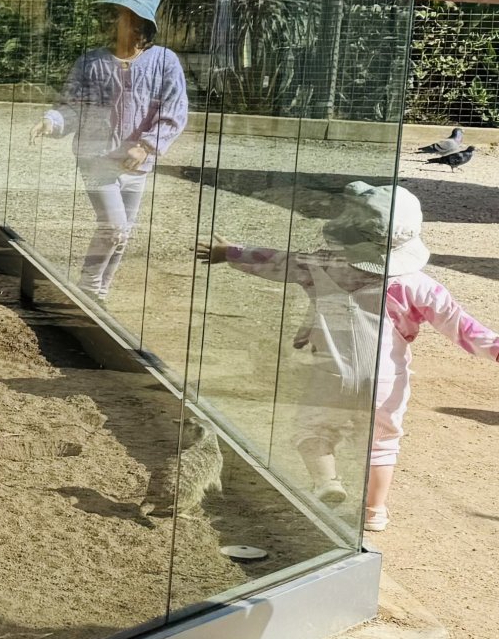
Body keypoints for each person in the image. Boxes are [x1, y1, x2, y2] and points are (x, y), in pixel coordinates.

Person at [199, 180, 499, 532]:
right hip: (385, 378)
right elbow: (461, 326)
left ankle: (327, 483)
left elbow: (275, 260)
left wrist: (230, 253)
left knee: (311, 430)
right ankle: (374, 512)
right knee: (382, 443)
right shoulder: (416, 284)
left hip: (330, 372)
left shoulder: (321, 264)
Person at [36, 0, 190, 298]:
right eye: (109, 12)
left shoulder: (164, 63)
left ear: (138, 23)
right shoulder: (90, 63)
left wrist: (147, 146)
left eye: (117, 12)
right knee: (114, 227)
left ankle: (100, 294)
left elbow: (174, 113)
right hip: (96, 162)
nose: (110, 20)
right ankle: (88, 290)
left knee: (123, 234)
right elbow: (73, 107)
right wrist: (52, 121)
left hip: (136, 168)